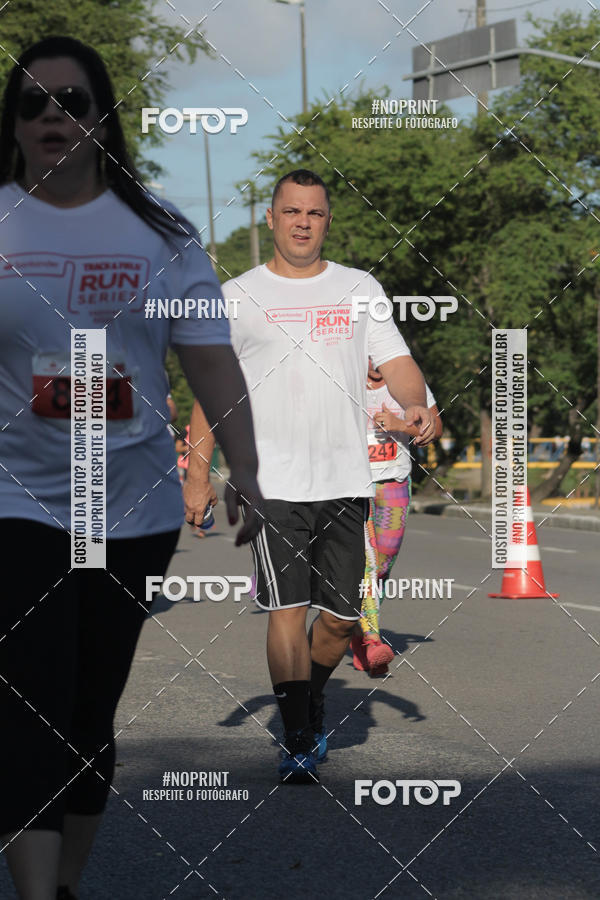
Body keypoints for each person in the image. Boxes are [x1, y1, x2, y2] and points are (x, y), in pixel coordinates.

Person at [0, 37, 262, 900]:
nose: (52, 116)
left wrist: (248, 472)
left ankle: (64, 883)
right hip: (17, 501)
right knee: (29, 695)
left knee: (88, 707)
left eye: (71, 102)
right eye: (33, 103)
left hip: (131, 506)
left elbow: (210, 361)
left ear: (102, 118)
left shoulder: (161, 234)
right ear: (13, 122)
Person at [187, 169, 436, 784]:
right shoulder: (236, 296)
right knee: (286, 610)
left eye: (315, 213)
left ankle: (309, 696)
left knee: (342, 620)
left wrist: (416, 404)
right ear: (271, 218)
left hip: (346, 479)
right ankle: (297, 734)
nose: (303, 222)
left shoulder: (359, 288)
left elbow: (398, 362)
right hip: (270, 483)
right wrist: (198, 473)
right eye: (292, 211)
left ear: (327, 221)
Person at [351, 359, 443, 676]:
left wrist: (400, 425)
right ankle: (372, 640)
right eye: (370, 353)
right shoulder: (344, 377)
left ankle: (356, 628)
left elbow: (436, 427)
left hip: (394, 482)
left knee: (383, 561)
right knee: (367, 563)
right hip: (354, 485)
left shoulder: (408, 383)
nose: (375, 360)